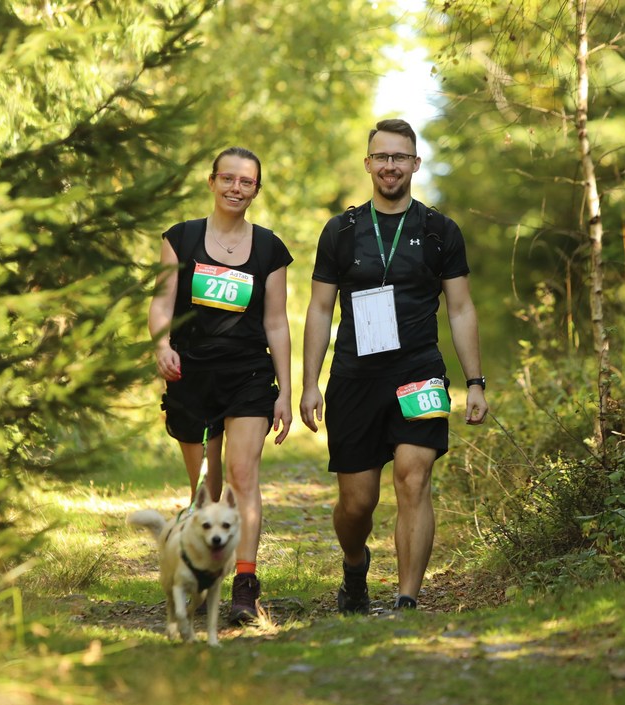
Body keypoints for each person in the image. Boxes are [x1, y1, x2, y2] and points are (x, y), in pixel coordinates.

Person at [300, 119, 488, 612]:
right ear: (368, 163)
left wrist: (475, 382)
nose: (390, 165)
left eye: (400, 157)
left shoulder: (440, 231)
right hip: (355, 376)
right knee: (357, 504)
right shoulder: (341, 231)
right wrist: (309, 383)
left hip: (419, 372)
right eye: (382, 156)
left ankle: (407, 600)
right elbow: (319, 310)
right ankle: (354, 562)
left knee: (413, 477)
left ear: (415, 164)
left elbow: (461, 309)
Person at [148, 146, 293, 624]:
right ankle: (201, 574)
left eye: (246, 181)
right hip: (191, 374)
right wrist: (162, 346)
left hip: (248, 375)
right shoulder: (181, 238)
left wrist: (285, 391)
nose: (236, 188)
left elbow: (276, 323)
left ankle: (245, 585)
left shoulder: (270, 248)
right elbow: (162, 302)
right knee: (206, 491)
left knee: (242, 475)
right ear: (212, 182)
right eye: (227, 178)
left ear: (256, 190)